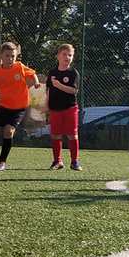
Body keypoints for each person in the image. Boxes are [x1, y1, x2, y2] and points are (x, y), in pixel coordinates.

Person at [0, 42, 41, 171]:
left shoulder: (19, 67)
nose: (10, 59)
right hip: (4, 107)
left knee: (8, 131)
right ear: (1, 56)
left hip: (19, 108)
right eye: (7, 56)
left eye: (13, 56)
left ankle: (2, 162)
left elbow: (32, 74)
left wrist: (36, 82)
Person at [46, 43, 81, 171]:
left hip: (70, 108)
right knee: (55, 135)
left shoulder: (73, 73)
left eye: (70, 55)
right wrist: (46, 107)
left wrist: (59, 85)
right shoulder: (52, 72)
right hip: (54, 109)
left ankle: (74, 161)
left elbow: (74, 91)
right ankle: (57, 161)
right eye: (64, 54)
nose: (67, 57)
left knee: (72, 135)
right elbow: (48, 91)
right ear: (58, 56)